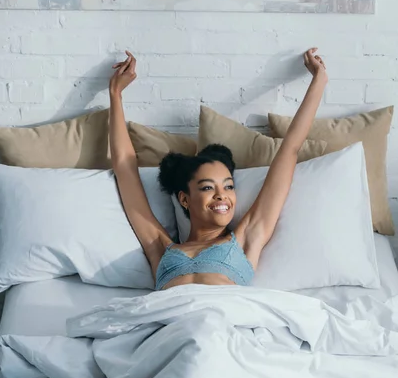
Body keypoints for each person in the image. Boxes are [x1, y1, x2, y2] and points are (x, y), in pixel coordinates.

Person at [108, 48, 327, 290]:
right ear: (184, 199)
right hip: (172, 322)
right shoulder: (158, 246)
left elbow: (290, 150)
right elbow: (124, 166)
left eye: (228, 186)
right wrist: (115, 94)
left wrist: (319, 81)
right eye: (207, 187)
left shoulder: (245, 240)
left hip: (221, 322)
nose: (222, 195)